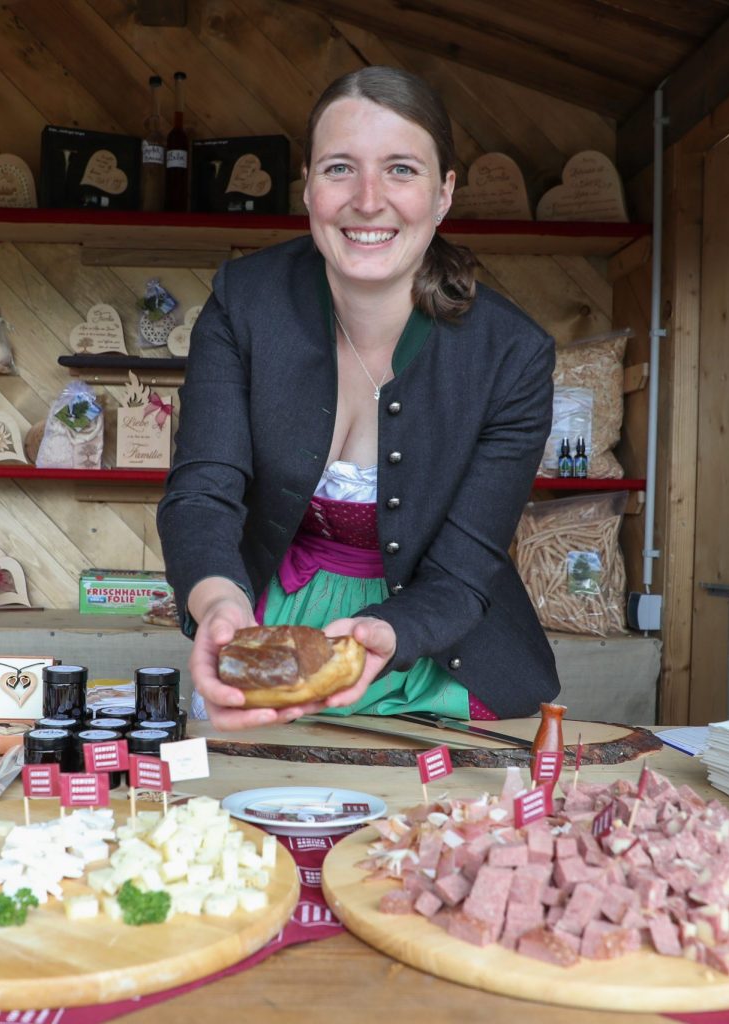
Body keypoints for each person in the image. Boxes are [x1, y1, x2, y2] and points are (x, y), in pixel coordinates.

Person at [157, 65, 560, 731]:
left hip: (439, 649)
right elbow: (203, 492)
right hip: (270, 639)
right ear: (309, 188)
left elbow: (464, 573)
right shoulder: (243, 302)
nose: (368, 200)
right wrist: (218, 603)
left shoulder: (510, 355)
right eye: (340, 168)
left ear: (443, 193)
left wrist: (385, 634)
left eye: (401, 169)